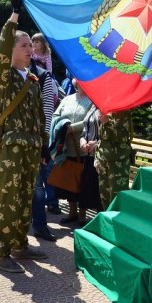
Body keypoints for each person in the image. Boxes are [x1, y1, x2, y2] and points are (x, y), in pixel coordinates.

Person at [0, 0, 48, 273]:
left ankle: (20, 245)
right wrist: (14, 15)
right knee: (9, 199)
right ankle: (2, 254)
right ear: (12, 49)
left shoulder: (34, 80)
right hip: (13, 146)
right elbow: (1, 48)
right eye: (23, 45)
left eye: (29, 46)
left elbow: (39, 116)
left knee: (25, 198)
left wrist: (44, 144)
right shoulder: (5, 75)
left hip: (32, 146)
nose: (29, 49)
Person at [50, 79, 99, 226]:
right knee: (69, 181)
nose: (80, 84)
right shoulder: (67, 99)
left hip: (84, 149)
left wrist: (73, 128)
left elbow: (89, 120)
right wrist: (62, 125)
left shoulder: (92, 100)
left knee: (82, 183)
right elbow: (55, 116)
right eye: (78, 82)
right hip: (67, 148)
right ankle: (72, 212)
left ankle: (82, 214)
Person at [95, 110, 133, 210]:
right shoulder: (105, 109)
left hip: (117, 162)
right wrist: (97, 158)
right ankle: (106, 223)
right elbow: (101, 138)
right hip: (103, 161)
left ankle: (115, 224)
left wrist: (107, 123)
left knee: (117, 199)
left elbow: (123, 137)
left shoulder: (123, 112)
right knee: (104, 198)